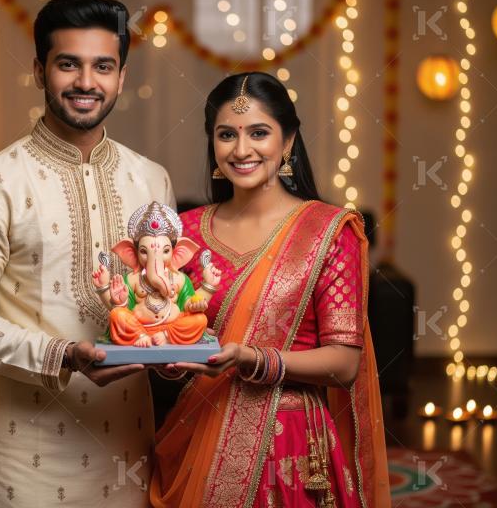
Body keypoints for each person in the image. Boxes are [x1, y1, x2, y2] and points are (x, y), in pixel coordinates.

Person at [0, 0, 175, 507]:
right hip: (24, 466)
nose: (87, 82)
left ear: (122, 78)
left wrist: (176, 351)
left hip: (128, 454)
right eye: (69, 64)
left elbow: (160, 303)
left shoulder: (151, 179)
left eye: (103, 66)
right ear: (40, 70)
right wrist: (61, 354)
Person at [149, 72, 390, 507]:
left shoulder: (329, 232)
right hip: (198, 432)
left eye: (259, 133)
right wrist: (164, 360)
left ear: (289, 141)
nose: (241, 150)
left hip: (292, 448)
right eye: (227, 135)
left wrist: (253, 359)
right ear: (213, 145)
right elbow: (174, 335)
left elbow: (344, 363)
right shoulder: (183, 235)